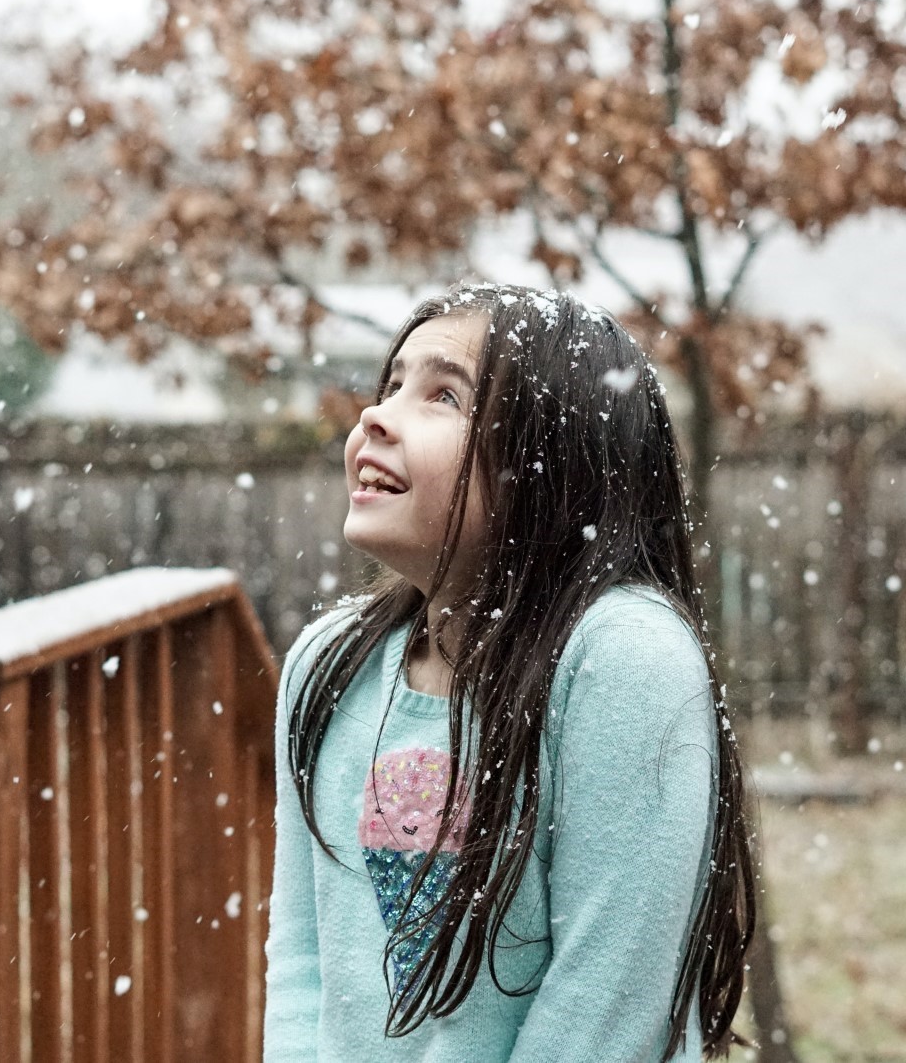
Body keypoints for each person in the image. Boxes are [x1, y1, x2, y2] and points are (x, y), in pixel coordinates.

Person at [264, 283, 756, 1061]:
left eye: (443, 395)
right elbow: (301, 963)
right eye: (391, 384)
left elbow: (608, 1009)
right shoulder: (327, 667)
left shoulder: (622, 661)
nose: (375, 416)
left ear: (552, 463)